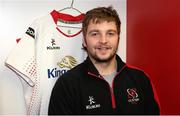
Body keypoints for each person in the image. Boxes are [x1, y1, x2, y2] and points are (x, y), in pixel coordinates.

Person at [48, 6, 160, 114]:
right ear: (84, 41)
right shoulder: (66, 86)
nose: (103, 40)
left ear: (118, 38)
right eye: (95, 34)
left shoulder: (141, 79)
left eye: (110, 33)